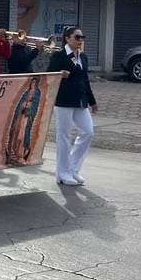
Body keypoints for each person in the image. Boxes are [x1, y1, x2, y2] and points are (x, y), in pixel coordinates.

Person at [47, 26, 98, 186]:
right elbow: (49, 75)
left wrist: (92, 101)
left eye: (82, 37)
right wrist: (60, 75)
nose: (80, 40)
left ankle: (73, 169)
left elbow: (85, 80)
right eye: (77, 37)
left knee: (88, 132)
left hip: (80, 101)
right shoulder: (59, 55)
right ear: (67, 38)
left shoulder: (83, 57)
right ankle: (62, 174)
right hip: (64, 100)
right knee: (64, 136)